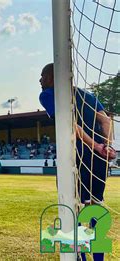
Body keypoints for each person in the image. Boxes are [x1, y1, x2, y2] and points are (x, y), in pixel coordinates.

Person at [39, 63, 115, 261]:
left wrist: (94, 146)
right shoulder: (87, 95)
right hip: (98, 159)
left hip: (74, 156)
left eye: (42, 76)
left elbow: (70, 125)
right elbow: (105, 121)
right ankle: (98, 258)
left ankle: (79, 256)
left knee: (73, 207)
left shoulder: (48, 94)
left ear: (51, 78)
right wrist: (105, 145)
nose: (40, 81)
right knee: (96, 205)